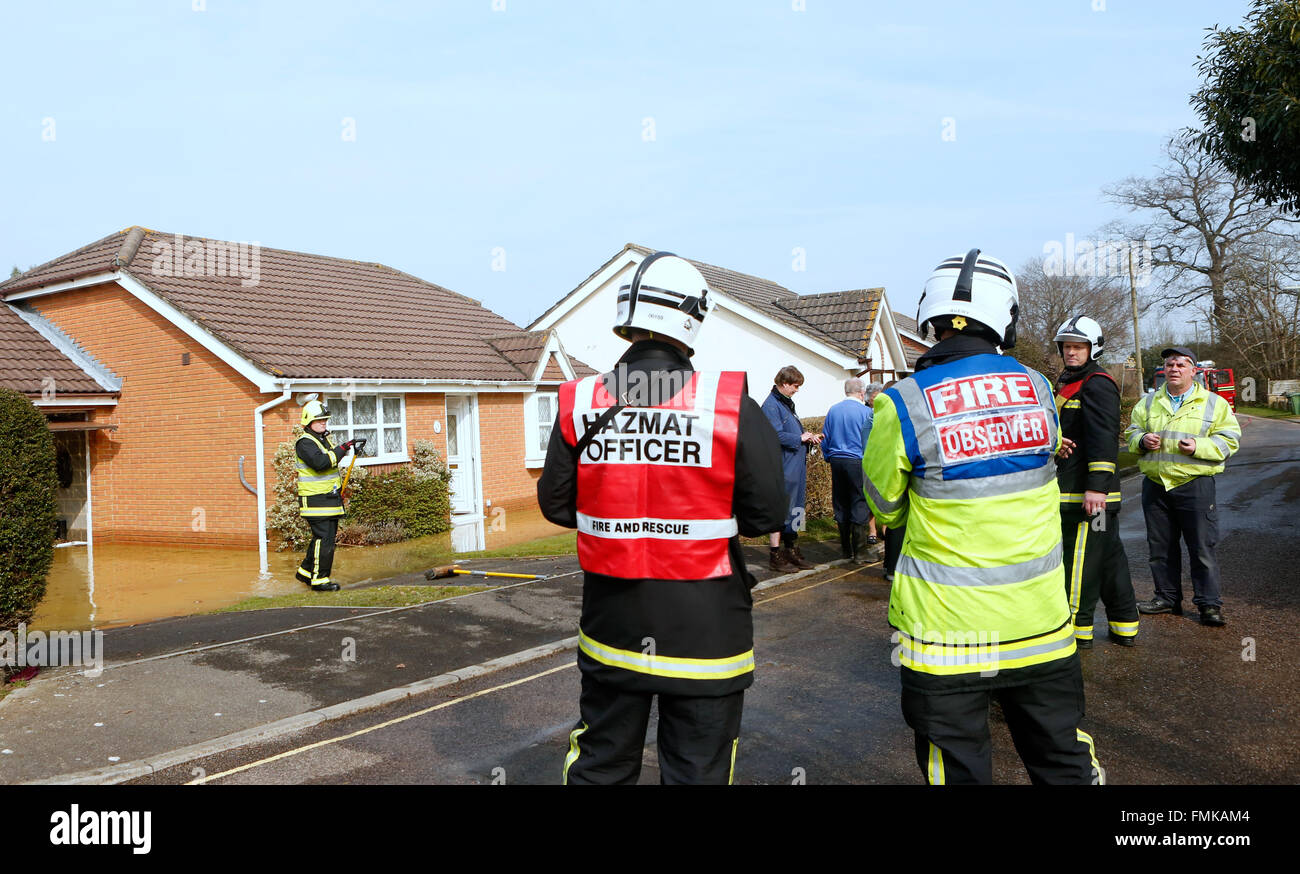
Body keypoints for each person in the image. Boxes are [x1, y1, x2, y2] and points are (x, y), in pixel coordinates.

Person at [537, 251, 786, 785]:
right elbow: (767, 513)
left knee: (600, 762)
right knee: (698, 770)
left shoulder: (580, 399)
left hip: (613, 624)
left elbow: (556, 504)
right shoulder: (725, 400)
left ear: (630, 318)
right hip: (707, 630)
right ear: (692, 318)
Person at [864, 249, 1103, 785]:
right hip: (1039, 623)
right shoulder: (1039, 387)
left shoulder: (901, 401)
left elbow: (883, 505)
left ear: (928, 314)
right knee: (1062, 757)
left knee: (957, 768)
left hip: (946, 636)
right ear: (1007, 318)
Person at [1126, 346, 1240, 627]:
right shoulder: (1149, 403)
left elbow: (1231, 440)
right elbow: (1131, 432)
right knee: (1160, 547)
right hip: (1156, 485)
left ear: (1193, 370)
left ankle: (1209, 605)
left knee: (1202, 547)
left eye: (1180, 364)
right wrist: (1141, 441)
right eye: (1169, 364)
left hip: (1195, 484)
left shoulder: (1214, 403)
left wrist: (1198, 447)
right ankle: (1166, 598)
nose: (1174, 369)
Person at [1053, 316, 1139, 648]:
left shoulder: (1097, 382)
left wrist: (1097, 488)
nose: (1071, 352)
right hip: (1088, 495)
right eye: (1067, 347)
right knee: (1108, 557)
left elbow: (1105, 438)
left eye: (1078, 347)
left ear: (1093, 348)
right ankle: (1124, 625)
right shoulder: (1068, 380)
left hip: (1088, 498)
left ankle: (1076, 630)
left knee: (1081, 561)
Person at [294, 400, 360, 593]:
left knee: (323, 539)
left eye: (325, 420)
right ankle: (320, 580)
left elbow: (330, 460)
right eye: (319, 420)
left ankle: (306, 572)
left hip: (328, 500)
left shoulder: (323, 440)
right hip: (316, 501)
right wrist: (342, 449)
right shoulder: (305, 442)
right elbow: (321, 463)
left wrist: (344, 448)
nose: (323, 423)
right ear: (308, 422)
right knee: (324, 540)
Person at [761, 366, 822, 571]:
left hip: (796, 466)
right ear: (785, 383)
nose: (797, 390)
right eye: (795, 386)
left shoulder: (786, 403)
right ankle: (775, 555)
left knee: (796, 509)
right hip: (783, 467)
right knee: (782, 510)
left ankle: (792, 550)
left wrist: (807, 435)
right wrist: (798, 438)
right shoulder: (771, 405)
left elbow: (791, 430)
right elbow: (773, 435)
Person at [822, 377, 874, 563]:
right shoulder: (866, 412)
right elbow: (872, 441)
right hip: (857, 460)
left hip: (837, 460)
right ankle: (860, 551)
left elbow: (825, 437)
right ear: (861, 393)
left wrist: (828, 456)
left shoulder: (833, 410)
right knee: (859, 501)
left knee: (841, 501)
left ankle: (845, 549)